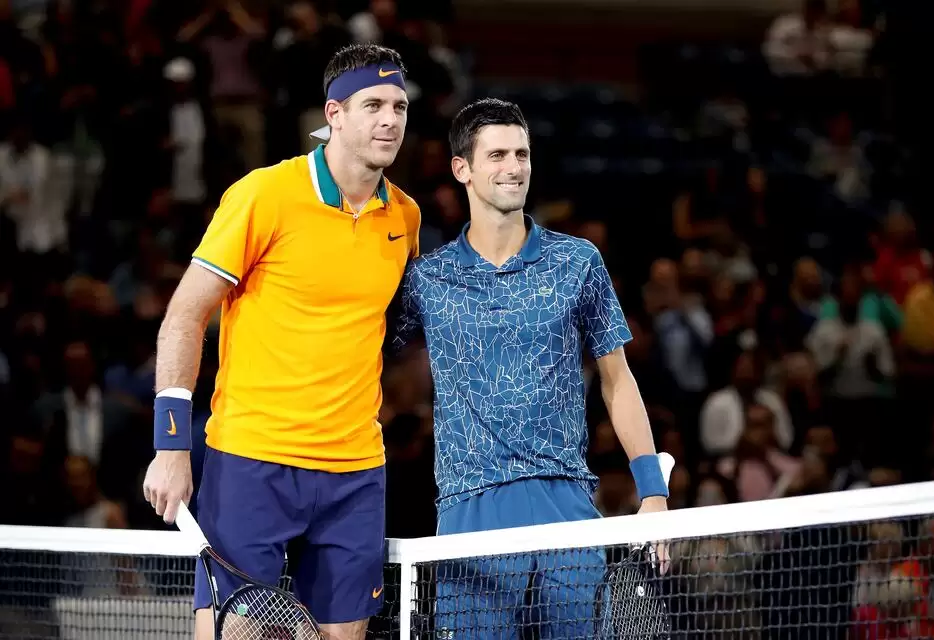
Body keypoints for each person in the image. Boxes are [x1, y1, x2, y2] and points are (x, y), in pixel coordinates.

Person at [142, 44, 420, 640]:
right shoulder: (263, 195)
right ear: (334, 114)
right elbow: (185, 316)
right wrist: (171, 444)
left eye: (399, 106)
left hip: (355, 471)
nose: (390, 120)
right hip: (253, 461)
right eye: (373, 105)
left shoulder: (405, 217)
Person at [395, 98, 669, 639]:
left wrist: (653, 491)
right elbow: (367, 357)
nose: (514, 167)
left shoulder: (578, 262)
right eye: (497, 155)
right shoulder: (427, 279)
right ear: (462, 168)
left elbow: (617, 379)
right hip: (470, 508)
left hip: (566, 504)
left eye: (521, 154)